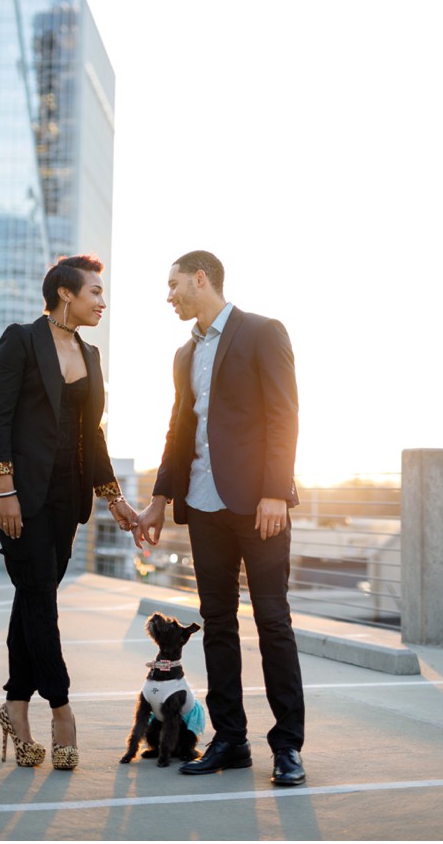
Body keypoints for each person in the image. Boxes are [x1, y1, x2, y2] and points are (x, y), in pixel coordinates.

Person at [134, 250, 306, 786]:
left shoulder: (262, 331)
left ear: (200, 278)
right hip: (203, 506)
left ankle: (288, 747)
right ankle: (230, 739)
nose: (168, 296)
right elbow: (177, 430)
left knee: (273, 622)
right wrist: (160, 500)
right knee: (218, 626)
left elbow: (284, 412)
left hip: (259, 507)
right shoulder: (184, 355)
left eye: (174, 284)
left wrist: (276, 490)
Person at [0, 254, 136, 770]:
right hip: (20, 494)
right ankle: (61, 711)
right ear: (66, 293)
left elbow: (94, 434)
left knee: (33, 598)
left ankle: (14, 707)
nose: (102, 302)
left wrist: (114, 497)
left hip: (67, 496)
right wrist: (5, 490)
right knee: (41, 598)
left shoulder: (91, 354)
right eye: (95, 293)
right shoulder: (21, 339)